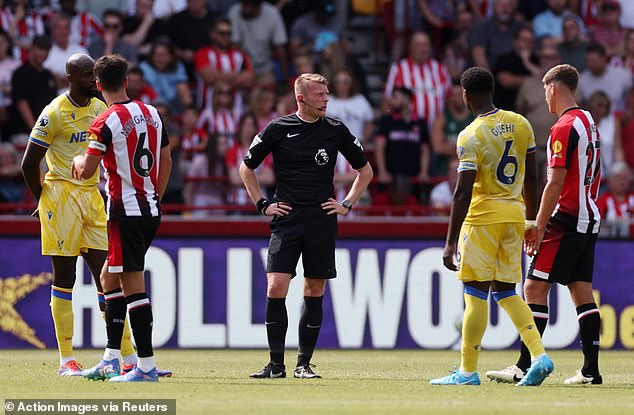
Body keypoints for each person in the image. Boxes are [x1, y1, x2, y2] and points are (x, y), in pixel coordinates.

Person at [240, 73, 373, 379]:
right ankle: (275, 365)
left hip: (321, 219)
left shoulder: (336, 130)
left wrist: (347, 204)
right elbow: (246, 168)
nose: (326, 99)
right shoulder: (278, 128)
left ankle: (303, 363)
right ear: (301, 98)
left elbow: (365, 172)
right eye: (320, 95)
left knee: (314, 288)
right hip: (286, 218)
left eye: (327, 94)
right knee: (276, 286)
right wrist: (262, 203)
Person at [431, 66, 553, 386]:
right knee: (506, 292)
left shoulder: (470, 135)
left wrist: (450, 242)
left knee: (475, 294)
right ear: (493, 90)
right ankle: (540, 356)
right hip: (514, 217)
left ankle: (467, 372)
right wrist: (531, 219)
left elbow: (462, 192)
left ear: (465, 94)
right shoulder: (520, 123)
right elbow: (533, 176)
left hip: (483, 218)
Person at [486, 64, 602, 385]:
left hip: (565, 217)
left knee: (534, 287)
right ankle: (591, 371)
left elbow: (555, 181)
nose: (545, 99)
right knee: (581, 291)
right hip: (589, 215)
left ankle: (525, 365)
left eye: (545, 91)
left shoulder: (562, 128)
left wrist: (537, 224)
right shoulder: (589, 121)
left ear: (552, 88)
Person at [19, 53, 126, 376]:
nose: (94, 80)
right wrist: (44, 201)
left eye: (95, 74)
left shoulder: (98, 108)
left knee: (108, 278)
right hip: (61, 196)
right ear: (70, 79)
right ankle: (66, 359)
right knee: (65, 278)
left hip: (92, 196)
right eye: (86, 75)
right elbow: (28, 164)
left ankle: (128, 358)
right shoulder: (53, 113)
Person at [72, 54, 172, 382]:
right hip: (150, 209)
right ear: (126, 81)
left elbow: (87, 170)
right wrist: (153, 194)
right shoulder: (152, 113)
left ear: (99, 86)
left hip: (124, 212)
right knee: (108, 279)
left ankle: (145, 366)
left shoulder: (105, 121)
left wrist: (76, 160)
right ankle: (111, 359)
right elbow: (166, 159)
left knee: (133, 288)